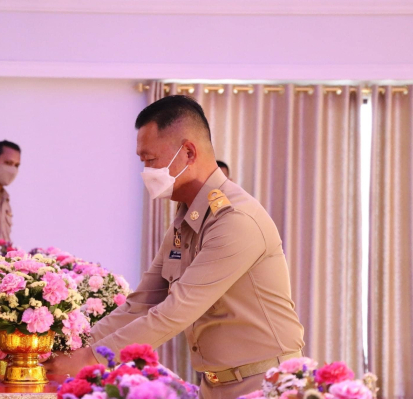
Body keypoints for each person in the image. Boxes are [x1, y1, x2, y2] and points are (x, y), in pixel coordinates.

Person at [47, 96, 304, 399]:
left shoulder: (235, 220)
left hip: (265, 383)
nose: (145, 171)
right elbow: (141, 303)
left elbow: (175, 311)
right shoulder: (186, 219)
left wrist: (92, 360)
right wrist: (75, 345)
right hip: (216, 384)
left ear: (188, 152)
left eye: (150, 160)